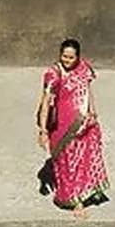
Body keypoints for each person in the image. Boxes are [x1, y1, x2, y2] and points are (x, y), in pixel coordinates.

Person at [36, 38, 109, 217]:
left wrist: (93, 112)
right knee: (70, 163)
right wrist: (43, 130)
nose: (67, 61)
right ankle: (76, 202)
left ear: (78, 57)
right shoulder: (53, 74)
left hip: (85, 123)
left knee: (87, 159)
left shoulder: (83, 69)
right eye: (64, 57)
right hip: (64, 128)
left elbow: (87, 91)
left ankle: (89, 190)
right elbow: (45, 102)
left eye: (71, 58)